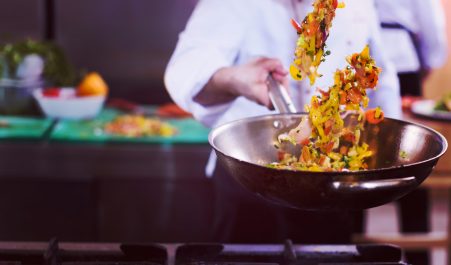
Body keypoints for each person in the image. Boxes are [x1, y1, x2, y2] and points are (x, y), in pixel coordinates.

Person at [165, 0, 402, 244]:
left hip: (335, 180)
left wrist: (387, 146)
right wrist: (235, 79)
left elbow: (381, 74)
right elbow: (186, 68)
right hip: (249, 179)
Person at [374, 1, 447, 264]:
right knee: (410, 159)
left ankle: (350, 246)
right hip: (404, 62)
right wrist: (428, 64)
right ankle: (419, 256)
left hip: (356, 62)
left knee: (353, 153)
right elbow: (433, 29)